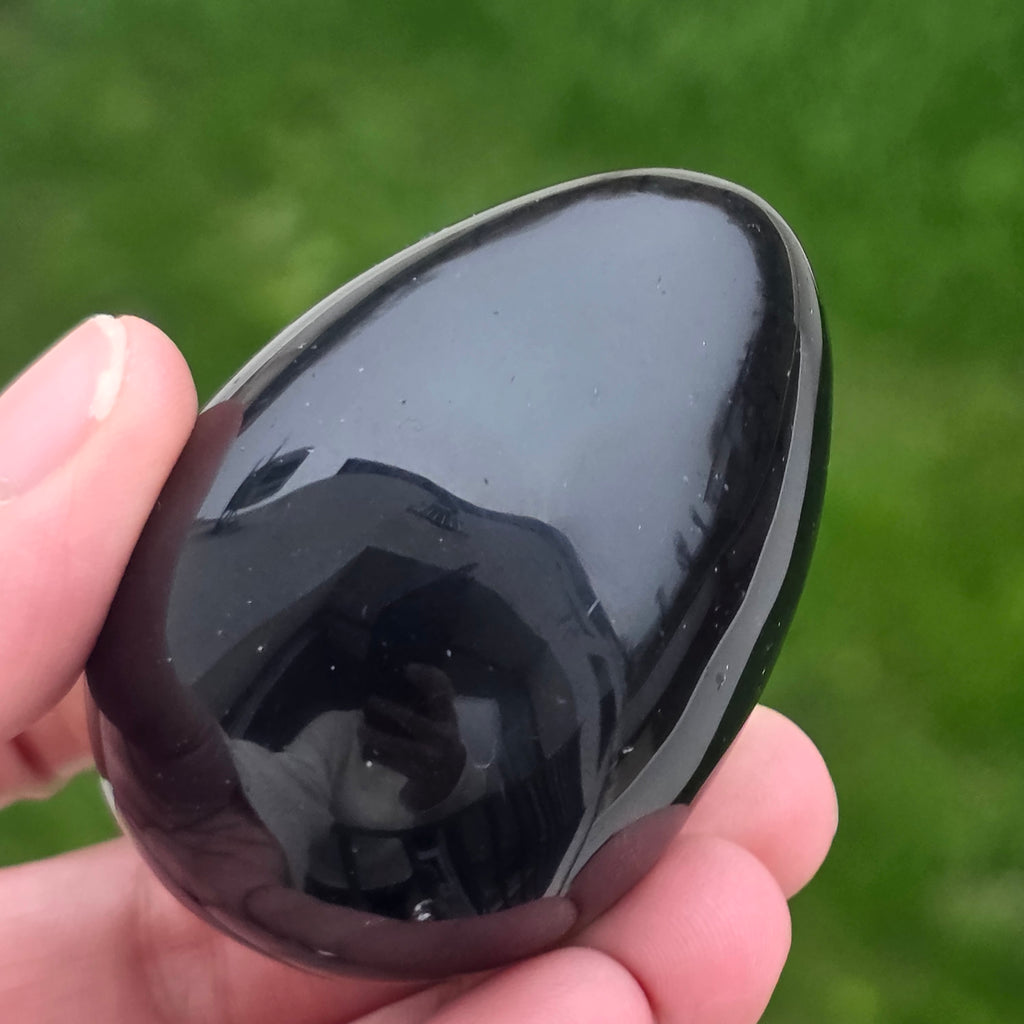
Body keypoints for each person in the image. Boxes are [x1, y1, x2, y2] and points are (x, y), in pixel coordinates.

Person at [0, 315, 838, 1024]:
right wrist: (190, 761)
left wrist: (446, 781)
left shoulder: (497, 731)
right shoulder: (337, 737)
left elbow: (502, 825)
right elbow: (276, 794)